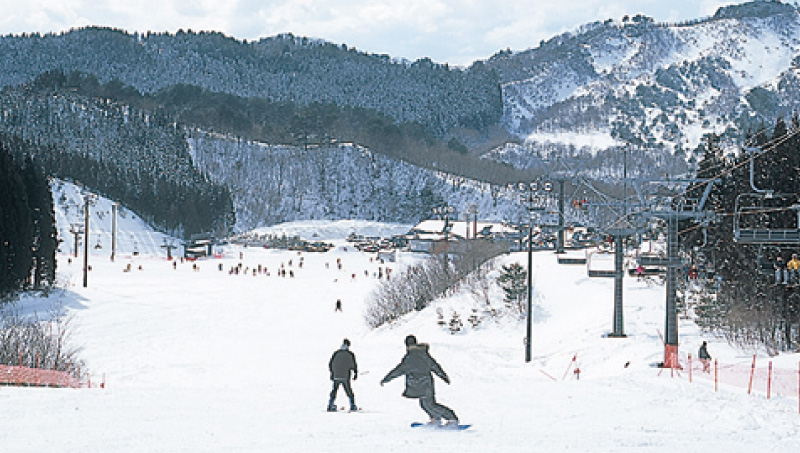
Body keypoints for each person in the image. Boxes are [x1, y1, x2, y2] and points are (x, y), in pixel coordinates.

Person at [380, 335, 458, 426]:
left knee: (429, 404)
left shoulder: (410, 357)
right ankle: (435, 419)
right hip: (425, 384)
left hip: (421, 384)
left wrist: (387, 379)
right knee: (425, 404)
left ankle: (451, 418)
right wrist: (443, 376)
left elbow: (399, 370)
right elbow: (435, 366)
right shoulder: (423, 354)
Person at [328, 338, 358, 411]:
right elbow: (354, 365)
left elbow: (330, 364)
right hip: (345, 376)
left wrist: (332, 373)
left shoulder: (336, 353)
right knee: (349, 391)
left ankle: (330, 405)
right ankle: (352, 405)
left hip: (336, 376)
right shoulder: (350, 354)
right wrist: (355, 373)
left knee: (334, 391)